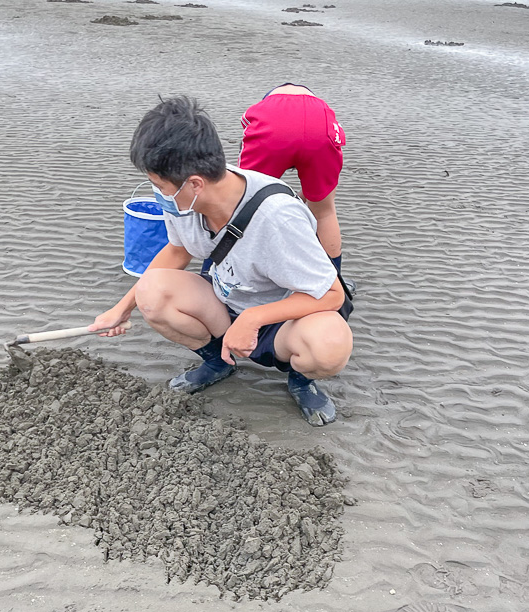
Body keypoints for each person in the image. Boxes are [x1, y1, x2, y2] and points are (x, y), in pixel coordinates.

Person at [89, 96, 352, 426]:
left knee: (329, 345)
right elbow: (177, 251)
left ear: (195, 183)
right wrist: (122, 308)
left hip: (285, 318)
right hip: (224, 299)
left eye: (159, 185)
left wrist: (254, 318)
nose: (158, 194)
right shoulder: (185, 202)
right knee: (151, 294)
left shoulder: (279, 218)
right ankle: (217, 362)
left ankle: (300, 380)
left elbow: (332, 294)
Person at [239, 83, 345, 272]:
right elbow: (316, 184)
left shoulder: (266, 104)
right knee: (324, 213)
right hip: (320, 127)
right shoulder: (319, 105)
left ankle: (215, 271)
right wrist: (306, 196)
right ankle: (335, 282)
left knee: (241, 206)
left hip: (272, 123)